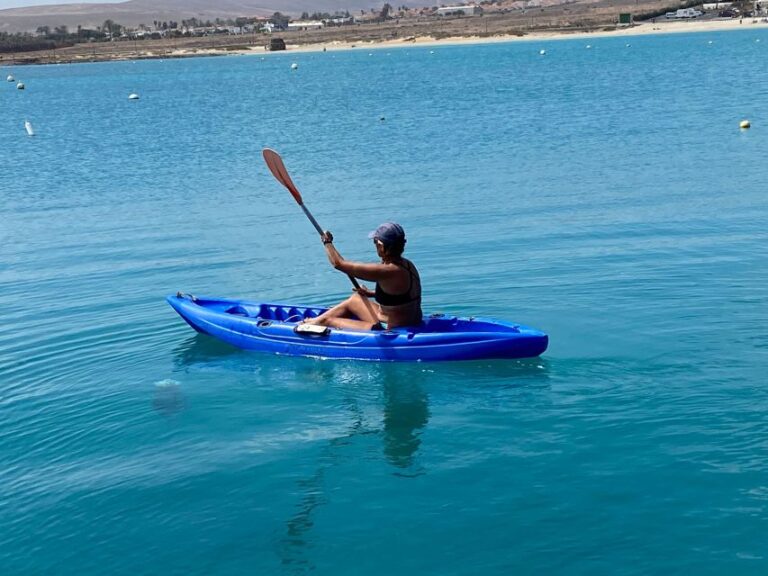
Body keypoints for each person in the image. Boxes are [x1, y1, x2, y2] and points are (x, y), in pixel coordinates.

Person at [303, 222, 422, 331]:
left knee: (327, 321)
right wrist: (371, 293)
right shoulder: (407, 265)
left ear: (381, 246)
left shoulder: (387, 270)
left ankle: (315, 322)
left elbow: (338, 264)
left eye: (375, 242)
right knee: (356, 299)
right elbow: (402, 296)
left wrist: (327, 242)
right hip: (412, 321)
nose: (374, 245)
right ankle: (315, 321)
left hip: (391, 329)